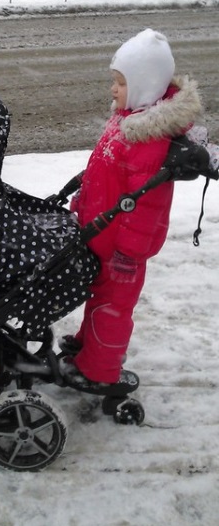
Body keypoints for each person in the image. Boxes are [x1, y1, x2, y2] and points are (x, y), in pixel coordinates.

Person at [60, 28, 204, 390]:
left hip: (122, 249)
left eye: (120, 82)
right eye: (114, 81)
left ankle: (100, 372)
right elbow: (104, 173)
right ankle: (88, 348)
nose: (113, 89)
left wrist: (130, 252)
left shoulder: (147, 139)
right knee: (99, 298)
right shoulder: (127, 119)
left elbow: (147, 207)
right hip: (100, 233)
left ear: (144, 85)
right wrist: (81, 201)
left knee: (113, 309)